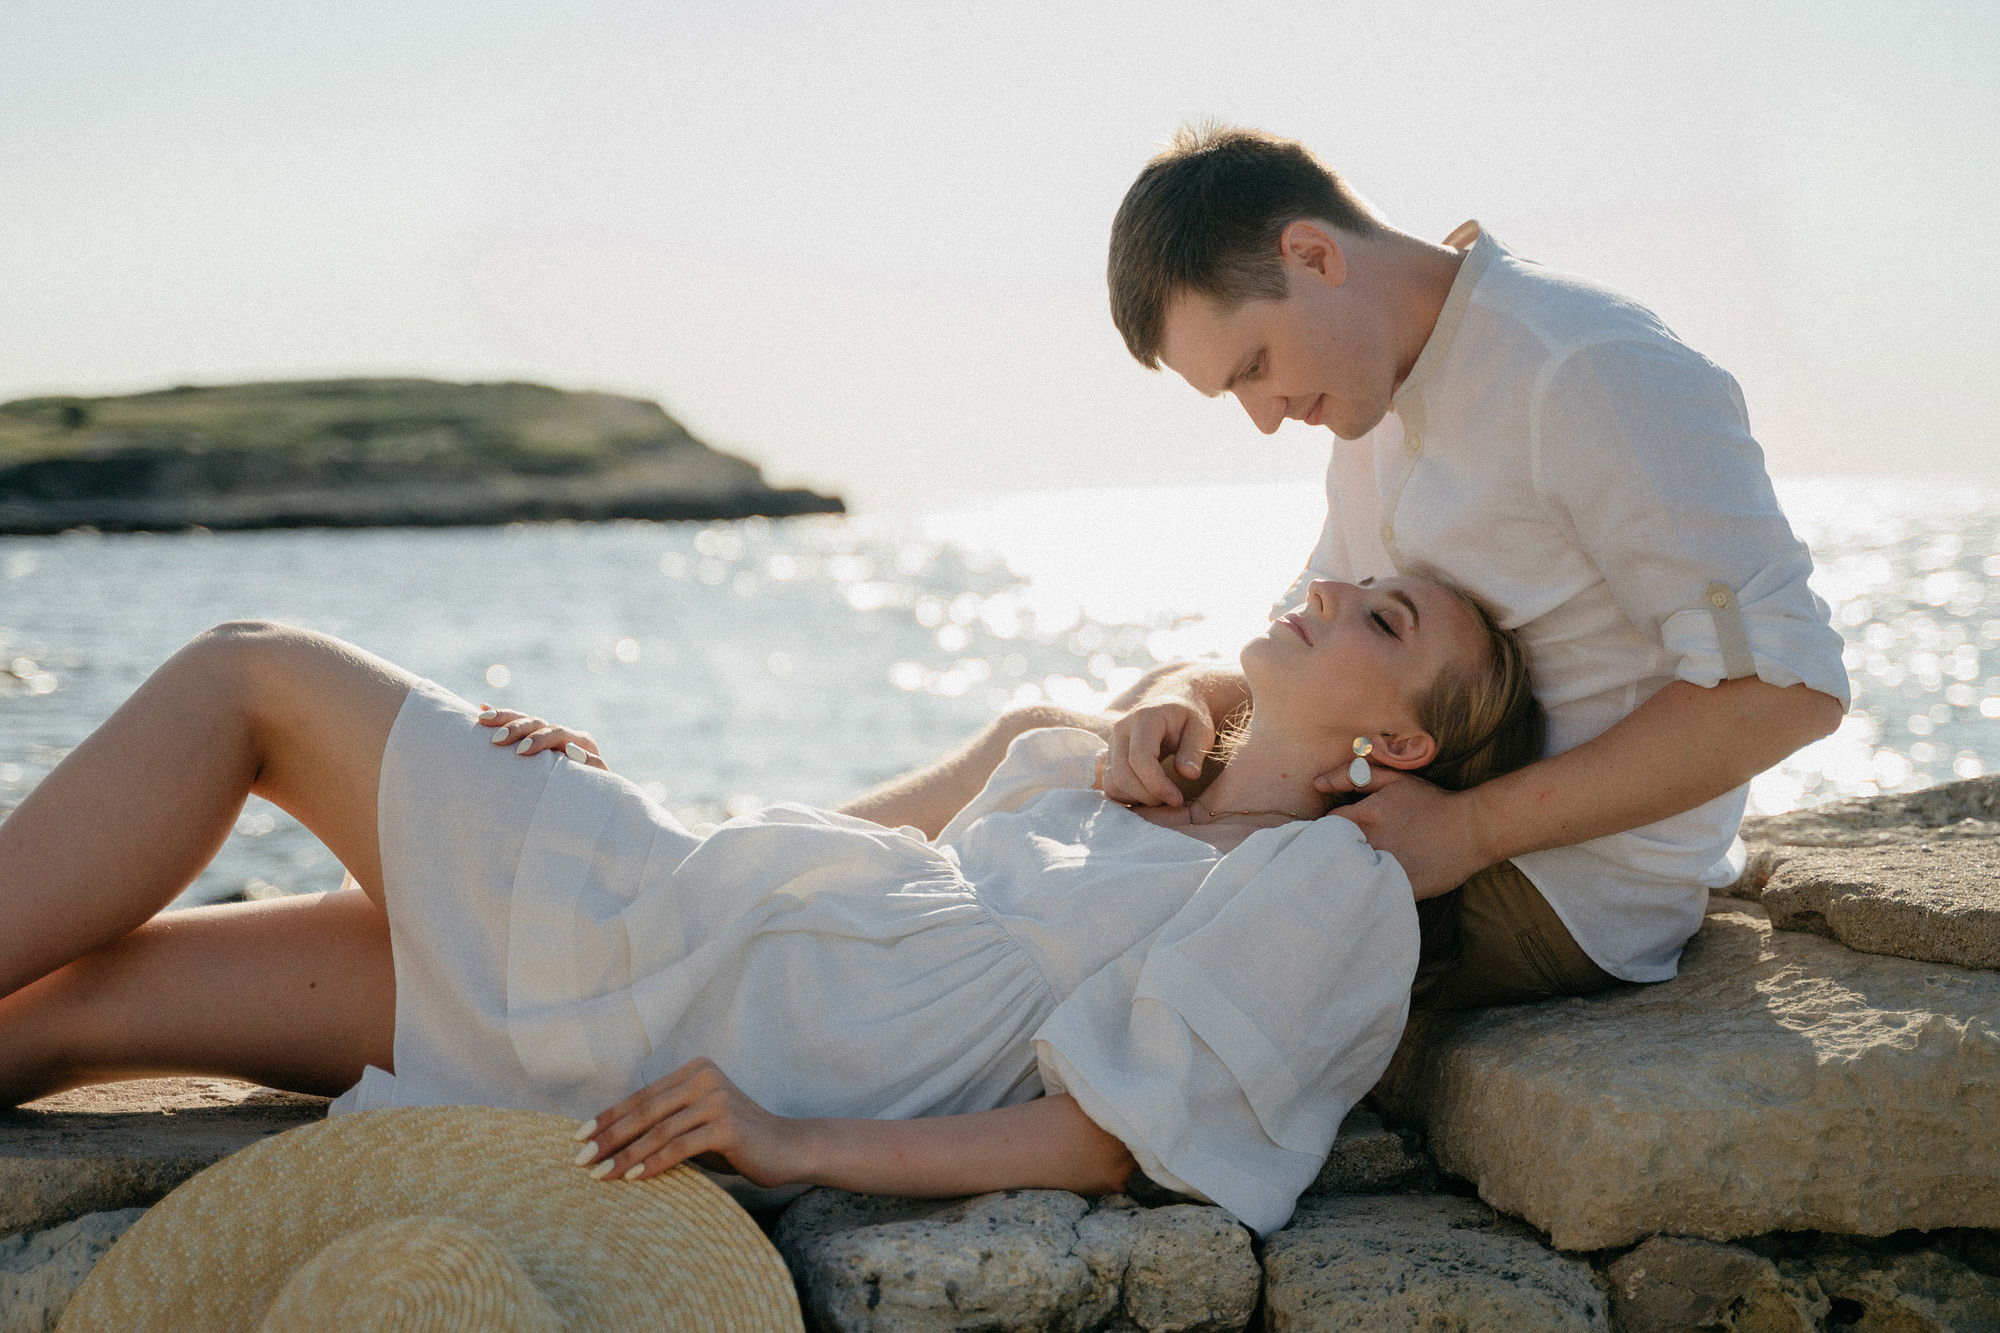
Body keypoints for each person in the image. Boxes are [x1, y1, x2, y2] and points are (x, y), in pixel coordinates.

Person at [0, 572, 1536, 1236]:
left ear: (1393, 747)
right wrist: (597, 797)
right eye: (1353, 577)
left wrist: (793, 1144)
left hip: (667, 1026)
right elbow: (826, 845)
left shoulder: (1328, 889)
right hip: (653, 931)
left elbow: (1112, 1140)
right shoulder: (1108, 762)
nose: (1330, 591)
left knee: (247, 670)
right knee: (65, 1015)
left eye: (1379, 615)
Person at [863, 123, 1850, 1010]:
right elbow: (1300, 640)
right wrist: (1171, 698)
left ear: (1313, 254)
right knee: (1044, 739)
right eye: (1231, 392)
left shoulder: (1586, 368)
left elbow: (1783, 689)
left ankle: (819, 1004)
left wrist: (1470, 831)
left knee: (1050, 890)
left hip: (1539, 883)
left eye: (1252, 364)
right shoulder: (1369, 394)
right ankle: (750, 905)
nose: (1262, 414)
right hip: (1382, 802)